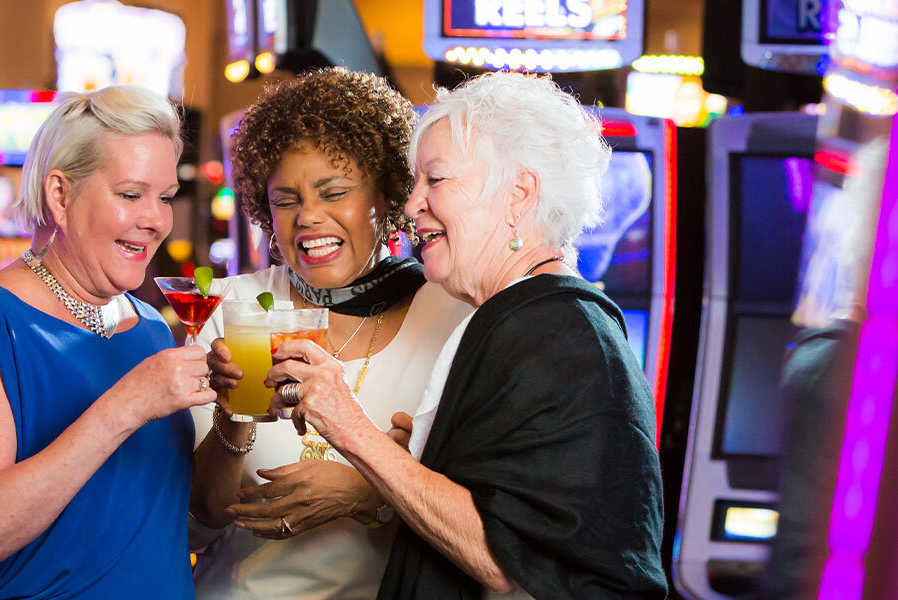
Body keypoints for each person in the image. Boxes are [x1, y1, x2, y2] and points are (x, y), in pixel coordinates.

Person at [260, 72, 668, 599]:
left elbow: (505, 559)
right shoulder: (515, 317)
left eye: (436, 180)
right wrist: (420, 460)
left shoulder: (558, 330)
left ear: (518, 195)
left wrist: (351, 429)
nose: (410, 206)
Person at [0, 85, 215, 599]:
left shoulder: (152, 326)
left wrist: (240, 421)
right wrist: (128, 404)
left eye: (166, 197)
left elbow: (181, 513)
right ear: (60, 195)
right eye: (131, 194)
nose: (155, 219)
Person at [191, 67, 475, 599]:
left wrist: (369, 493)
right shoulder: (235, 308)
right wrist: (233, 419)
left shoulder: (454, 316)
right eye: (286, 200)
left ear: (388, 194)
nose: (308, 218)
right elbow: (196, 525)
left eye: (334, 192)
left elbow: (489, 535)